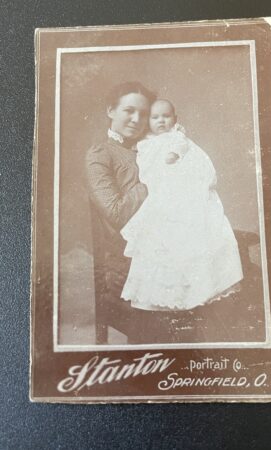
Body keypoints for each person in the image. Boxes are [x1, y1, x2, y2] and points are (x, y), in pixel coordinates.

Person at [120, 99, 243, 311]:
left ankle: (196, 290)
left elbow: (181, 146)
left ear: (175, 119)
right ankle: (164, 295)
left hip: (178, 188)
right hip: (161, 191)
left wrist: (173, 154)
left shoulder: (176, 137)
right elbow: (146, 162)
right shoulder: (148, 141)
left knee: (185, 232)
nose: (161, 121)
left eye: (166, 117)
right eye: (155, 117)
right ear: (148, 121)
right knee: (158, 237)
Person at [85, 82, 156, 342]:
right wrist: (154, 180)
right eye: (129, 110)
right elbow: (115, 213)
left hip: (165, 246)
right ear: (110, 110)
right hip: (125, 259)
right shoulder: (100, 154)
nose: (137, 119)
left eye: (144, 113)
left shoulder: (154, 148)